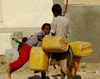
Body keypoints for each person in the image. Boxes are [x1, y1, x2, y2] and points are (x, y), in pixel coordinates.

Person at [51, 4, 72, 79]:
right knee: (63, 64)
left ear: (55, 13)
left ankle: (69, 76)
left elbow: (53, 32)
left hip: (58, 44)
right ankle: (62, 77)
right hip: (65, 44)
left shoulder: (55, 19)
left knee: (62, 66)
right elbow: (69, 32)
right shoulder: (66, 20)